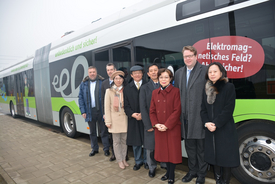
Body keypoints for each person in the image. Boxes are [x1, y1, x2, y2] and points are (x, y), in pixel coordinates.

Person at [200, 62, 240, 184]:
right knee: (214, 156)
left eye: (215, 71)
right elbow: (202, 109)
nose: (212, 74)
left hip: (224, 128)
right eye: (210, 72)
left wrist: (216, 123)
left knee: (225, 157)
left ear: (221, 73)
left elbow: (229, 109)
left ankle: (225, 180)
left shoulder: (228, 87)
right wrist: (207, 122)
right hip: (210, 128)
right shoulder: (206, 88)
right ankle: (218, 180)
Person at [174, 46, 208, 184]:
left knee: (201, 148)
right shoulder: (179, 73)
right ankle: (192, 170)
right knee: (189, 147)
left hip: (199, 117)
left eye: (190, 56)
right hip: (184, 118)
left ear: (196, 56)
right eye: (185, 56)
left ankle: (202, 173)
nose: (187, 59)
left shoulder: (205, 70)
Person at [150, 68, 182, 184]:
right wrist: (156, 124)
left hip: (172, 127)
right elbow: (152, 111)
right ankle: (167, 172)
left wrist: (167, 125)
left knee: (172, 152)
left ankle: (171, 174)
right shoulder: (155, 93)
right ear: (158, 79)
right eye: (161, 77)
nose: (163, 79)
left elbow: (177, 110)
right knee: (164, 151)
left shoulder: (176, 91)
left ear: (170, 79)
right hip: (159, 128)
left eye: (166, 77)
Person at [140, 64, 166, 178]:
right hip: (150, 123)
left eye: (156, 70)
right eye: (151, 71)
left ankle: (164, 164)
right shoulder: (144, 88)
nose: (154, 72)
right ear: (148, 74)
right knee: (150, 148)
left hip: (164, 123)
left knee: (164, 146)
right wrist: (147, 124)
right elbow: (143, 108)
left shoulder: (165, 85)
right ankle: (152, 167)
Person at [78, 66, 110, 157]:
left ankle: (106, 149)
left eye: (94, 72)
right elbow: (80, 98)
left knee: (104, 131)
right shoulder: (83, 84)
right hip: (89, 111)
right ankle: (94, 149)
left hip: (100, 111)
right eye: (90, 72)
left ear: (96, 73)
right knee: (92, 132)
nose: (92, 73)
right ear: (88, 73)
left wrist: (105, 112)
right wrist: (83, 111)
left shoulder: (102, 82)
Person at [123, 65, 148, 171]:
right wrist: (133, 114)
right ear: (132, 75)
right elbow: (126, 105)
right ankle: (138, 161)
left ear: (142, 74)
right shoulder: (127, 88)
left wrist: (144, 114)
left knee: (147, 141)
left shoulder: (148, 86)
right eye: (135, 73)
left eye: (139, 72)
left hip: (146, 118)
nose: (137, 75)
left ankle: (147, 161)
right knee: (136, 142)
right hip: (133, 119)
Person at [104, 70, 129, 169]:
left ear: (123, 79)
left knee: (124, 141)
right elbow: (107, 108)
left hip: (124, 119)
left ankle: (124, 159)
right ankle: (119, 160)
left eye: (120, 78)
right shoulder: (109, 91)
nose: (118, 80)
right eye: (116, 78)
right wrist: (108, 121)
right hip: (114, 120)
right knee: (116, 141)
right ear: (113, 80)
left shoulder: (126, 90)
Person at [101, 63, 117, 161]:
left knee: (122, 135)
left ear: (115, 70)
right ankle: (114, 154)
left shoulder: (121, 80)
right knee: (111, 135)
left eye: (111, 69)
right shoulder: (104, 83)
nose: (110, 71)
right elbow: (102, 100)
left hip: (120, 114)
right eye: (108, 70)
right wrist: (104, 114)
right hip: (110, 114)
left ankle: (124, 155)